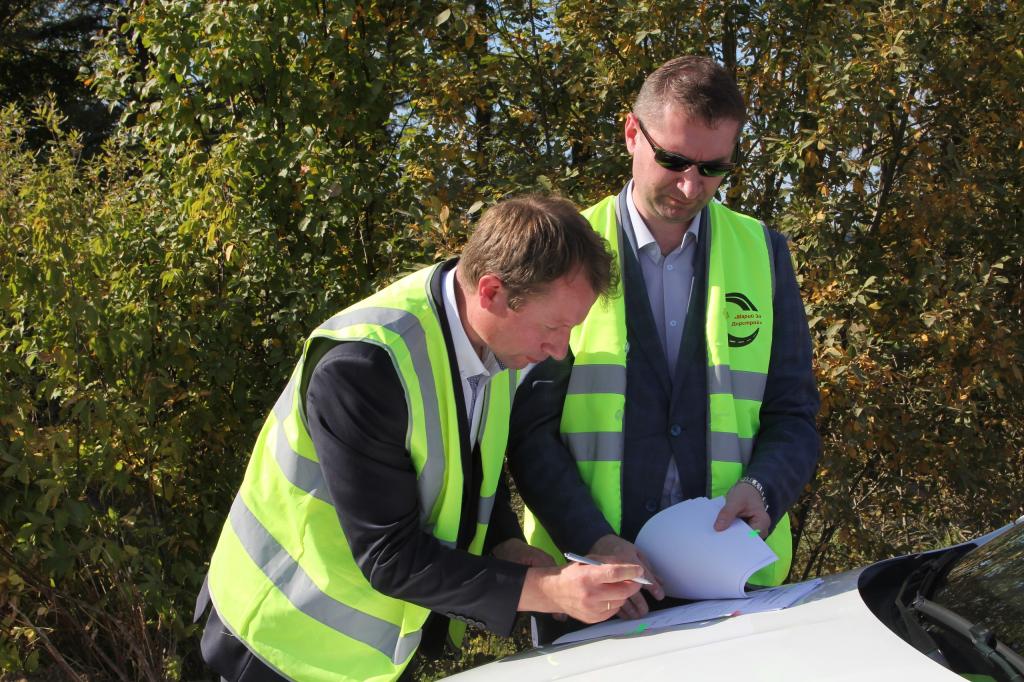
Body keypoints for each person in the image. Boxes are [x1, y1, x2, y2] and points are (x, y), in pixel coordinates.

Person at [194, 195, 646, 681]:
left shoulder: (495, 341)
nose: (559, 350)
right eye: (553, 327)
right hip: (277, 642)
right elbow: (389, 557)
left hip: (367, 657)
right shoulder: (364, 366)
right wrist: (544, 589)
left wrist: (506, 546)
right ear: (492, 292)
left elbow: (466, 470)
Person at [510, 56, 821, 637]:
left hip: (734, 587)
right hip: (590, 586)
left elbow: (793, 413)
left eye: (713, 168)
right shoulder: (563, 251)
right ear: (632, 133)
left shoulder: (763, 253)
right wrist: (592, 539)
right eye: (674, 160)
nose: (690, 186)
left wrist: (763, 487)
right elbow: (529, 432)